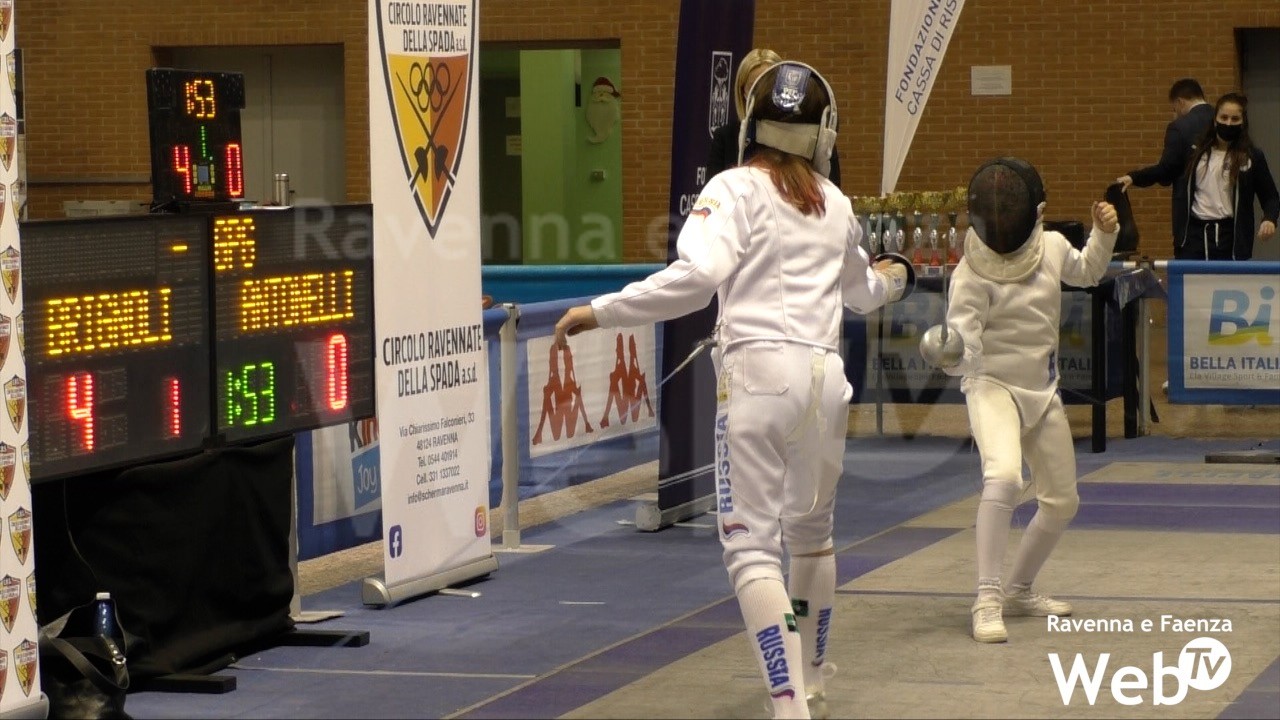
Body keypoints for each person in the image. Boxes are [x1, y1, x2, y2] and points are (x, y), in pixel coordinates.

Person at [554, 62, 912, 719]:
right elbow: (865, 293)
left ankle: (789, 707)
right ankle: (812, 682)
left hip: (757, 381)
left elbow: (698, 278)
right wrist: (899, 278)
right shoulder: (834, 204)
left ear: (753, 126)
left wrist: (601, 311)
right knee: (813, 536)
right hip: (825, 385)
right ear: (822, 134)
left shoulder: (733, 189)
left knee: (752, 550)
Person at [927, 157, 1119, 643]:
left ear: (1037, 212)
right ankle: (987, 598)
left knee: (1062, 502)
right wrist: (953, 353)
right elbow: (966, 347)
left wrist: (1103, 234)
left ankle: (1018, 590)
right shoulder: (971, 273)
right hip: (992, 386)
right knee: (1005, 477)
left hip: (1042, 388)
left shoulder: (1051, 246)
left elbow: (1089, 271)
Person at [707, 49, 842, 188]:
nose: (762, 94)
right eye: (754, 87)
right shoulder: (725, 137)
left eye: (768, 87)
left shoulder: (817, 138)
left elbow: (831, 188)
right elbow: (714, 190)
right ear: (743, 92)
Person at [1116, 78, 1214, 257]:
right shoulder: (1222, 121)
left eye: (1174, 109)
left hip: (1191, 222)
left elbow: (1167, 169)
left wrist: (1134, 177)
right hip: (1225, 228)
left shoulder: (1179, 127)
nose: (1175, 114)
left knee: (1189, 271)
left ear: (1180, 102)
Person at [1176, 92, 1279, 260]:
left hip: (1231, 238)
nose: (1228, 123)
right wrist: (1134, 177)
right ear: (1215, 120)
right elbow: (1165, 169)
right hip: (1194, 237)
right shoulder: (1195, 152)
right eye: (1223, 117)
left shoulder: (1252, 156)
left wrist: (1270, 219)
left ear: (1243, 123)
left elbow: (1271, 197)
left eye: (1234, 119)